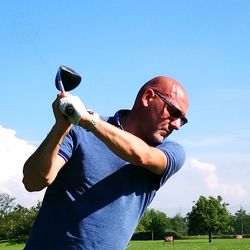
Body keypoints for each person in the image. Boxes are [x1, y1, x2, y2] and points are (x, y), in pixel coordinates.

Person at [22, 75, 189, 250]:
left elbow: (142, 155)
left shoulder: (172, 152)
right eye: (174, 112)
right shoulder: (79, 130)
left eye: (182, 120)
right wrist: (60, 128)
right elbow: (34, 181)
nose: (177, 125)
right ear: (148, 98)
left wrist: (89, 121)